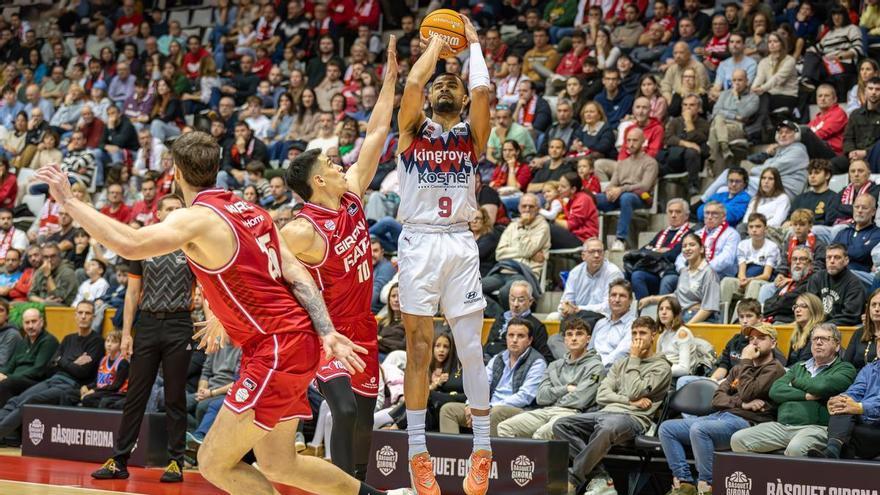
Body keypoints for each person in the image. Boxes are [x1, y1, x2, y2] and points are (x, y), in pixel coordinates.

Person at [35, 132, 403, 495]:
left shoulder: (195, 218)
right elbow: (295, 273)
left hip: (276, 348)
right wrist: (325, 331)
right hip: (294, 343)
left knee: (212, 461)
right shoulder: (252, 211)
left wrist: (69, 202)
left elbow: (130, 244)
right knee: (279, 464)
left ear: (176, 173)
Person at [280, 41, 397, 480]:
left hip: (364, 327)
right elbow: (256, 259)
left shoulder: (351, 195)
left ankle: (356, 485)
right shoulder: (302, 229)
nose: (338, 161)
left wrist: (389, 81)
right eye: (330, 161)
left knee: (363, 421)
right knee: (344, 410)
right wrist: (220, 311)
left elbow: (377, 133)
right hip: (327, 334)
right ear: (317, 180)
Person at [392, 16, 494, 494]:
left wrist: (471, 46)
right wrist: (435, 46)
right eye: (441, 82)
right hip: (418, 242)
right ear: (432, 97)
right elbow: (413, 81)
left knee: (471, 349)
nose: (447, 82)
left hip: (458, 241)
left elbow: (485, 97)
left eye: (456, 80)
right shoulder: (413, 132)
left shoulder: (472, 138)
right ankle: (417, 454)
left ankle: (483, 451)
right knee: (417, 348)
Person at [87, 195, 195, 482]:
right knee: (135, 395)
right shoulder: (143, 243)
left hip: (179, 323)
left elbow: (205, 289)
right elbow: (132, 294)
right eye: (169, 209)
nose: (174, 212)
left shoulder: (192, 246)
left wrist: (210, 320)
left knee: (174, 396)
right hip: (147, 324)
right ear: (158, 213)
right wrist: (126, 334)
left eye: (178, 209)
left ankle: (175, 462)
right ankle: (119, 460)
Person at [658, 322, 785, 495]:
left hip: (748, 423)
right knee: (667, 428)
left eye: (761, 338)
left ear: (773, 343)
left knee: (699, 429)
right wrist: (740, 403)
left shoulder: (774, 369)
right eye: (751, 338)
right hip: (721, 416)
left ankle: (708, 486)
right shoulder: (739, 368)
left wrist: (746, 360)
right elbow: (717, 398)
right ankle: (684, 483)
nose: (754, 342)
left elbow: (748, 392)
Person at [553, 317, 671, 495]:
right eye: (634, 333)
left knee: (607, 427)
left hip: (634, 419)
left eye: (642, 333)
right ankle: (601, 476)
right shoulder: (620, 363)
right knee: (561, 425)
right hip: (606, 412)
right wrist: (629, 401)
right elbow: (602, 395)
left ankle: (574, 479)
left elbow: (634, 391)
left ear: (653, 335)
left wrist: (634, 359)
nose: (637, 338)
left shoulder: (661, 367)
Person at [731, 322, 856, 457]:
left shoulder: (845, 369)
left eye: (825, 339)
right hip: (782, 426)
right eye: (815, 339)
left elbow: (821, 386)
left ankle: (792, 479)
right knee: (738, 440)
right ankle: (765, 477)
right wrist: (806, 396)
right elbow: (775, 391)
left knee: (796, 449)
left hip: (816, 427)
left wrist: (794, 382)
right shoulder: (798, 367)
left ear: (837, 346)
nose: (818, 343)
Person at [0, 302, 104, 442]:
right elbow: (50, 366)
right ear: (75, 315)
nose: (83, 316)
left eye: (87, 313)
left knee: (29, 401)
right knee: (15, 401)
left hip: (70, 385)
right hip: (52, 380)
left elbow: (82, 372)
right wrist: (72, 363)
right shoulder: (68, 338)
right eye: (80, 313)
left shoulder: (97, 341)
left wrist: (62, 361)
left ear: (94, 317)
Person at [496, 317, 604, 440]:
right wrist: (566, 389)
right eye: (569, 334)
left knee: (541, 435)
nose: (574, 338)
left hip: (573, 413)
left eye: (579, 334)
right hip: (545, 410)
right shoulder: (554, 365)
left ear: (588, 339)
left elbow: (581, 400)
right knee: (505, 427)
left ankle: (534, 459)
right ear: (564, 339)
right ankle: (519, 460)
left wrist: (554, 397)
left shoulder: (596, 366)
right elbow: (541, 397)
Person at [439, 318, 547, 437]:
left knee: (496, 412)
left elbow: (524, 397)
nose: (514, 340)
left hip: (520, 411)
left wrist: (489, 407)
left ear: (529, 340)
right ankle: (456, 454)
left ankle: (486, 454)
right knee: (448, 410)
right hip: (489, 408)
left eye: (520, 336)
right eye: (511, 335)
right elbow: (481, 384)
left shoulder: (537, 362)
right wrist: (472, 404)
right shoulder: (498, 358)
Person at [596, 127, 659, 251]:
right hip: (620, 196)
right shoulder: (622, 163)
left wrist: (621, 189)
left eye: (635, 140)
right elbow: (612, 184)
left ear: (643, 141)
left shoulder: (650, 162)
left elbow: (645, 186)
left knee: (626, 198)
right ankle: (592, 239)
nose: (630, 144)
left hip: (641, 197)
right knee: (594, 199)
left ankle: (620, 239)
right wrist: (610, 191)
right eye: (628, 140)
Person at [548, 238, 623, 324]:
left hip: (603, 318)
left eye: (600, 251)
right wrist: (565, 308)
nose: (596, 255)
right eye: (592, 252)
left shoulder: (613, 273)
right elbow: (566, 301)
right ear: (583, 256)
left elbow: (609, 306)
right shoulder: (575, 273)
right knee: (552, 317)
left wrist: (579, 309)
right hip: (578, 316)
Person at [627, 199, 691, 300]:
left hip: (673, 273)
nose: (673, 215)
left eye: (678, 212)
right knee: (636, 275)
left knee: (667, 280)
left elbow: (673, 255)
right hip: (654, 271)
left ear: (686, 216)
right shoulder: (662, 233)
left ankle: (661, 314)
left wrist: (655, 250)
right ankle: (643, 312)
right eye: (670, 212)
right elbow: (644, 250)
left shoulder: (689, 234)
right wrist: (660, 251)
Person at [718, 213, 780, 312]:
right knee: (727, 281)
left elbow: (766, 275)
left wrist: (750, 280)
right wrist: (742, 279)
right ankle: (720, 316)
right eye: (751, 227)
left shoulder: (772, 247)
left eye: (758, 226)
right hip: (747, 278)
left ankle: (746, 316)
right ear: (747, 229)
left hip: (762, 280)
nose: (754, 230)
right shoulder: (743, 245)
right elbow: (741, 271)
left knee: (754, 284)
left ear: (765, 229)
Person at [0, 309, 58, 408]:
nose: (30, 326)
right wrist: (1, 374)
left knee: (6, 384)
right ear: (23, 324)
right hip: (16, 380)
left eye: (34, 321)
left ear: (41, 322)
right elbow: (11, 365)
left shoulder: (49, 341)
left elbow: (38, 370)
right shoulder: (24, 341)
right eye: (27, 322)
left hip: (35, 382)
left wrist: (9, 377)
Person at [483, 280, 552, 362]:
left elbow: (545, 358)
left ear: (530, 301)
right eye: (512, 299)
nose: (515, 304)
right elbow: (489, 343)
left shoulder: (536, 326)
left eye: (521, 300)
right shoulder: (501, 318)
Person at [706, 69, 759, 174]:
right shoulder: (724, 94)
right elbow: (715, 111)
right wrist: (734, 115)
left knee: (715, 129)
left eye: (740, 80)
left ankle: (711, 158)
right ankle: (725, 147)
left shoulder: (753, 98)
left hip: (737, 127)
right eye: (734, 80)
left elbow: (743, 113)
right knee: (718, 119)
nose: (736, 83)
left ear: (746, 81)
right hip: (721, 124)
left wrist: (735, 97)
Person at [806, 244, 866, 326]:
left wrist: (824, 326)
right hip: (817, 325)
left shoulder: (854, 284)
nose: (832, 261)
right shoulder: (816, 278)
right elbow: (810, 306)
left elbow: (850, 316)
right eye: (829, 257)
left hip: (842, 329)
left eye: (837, 257)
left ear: (846, 260)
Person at [680, 201, 741, 279]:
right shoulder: (697, 234)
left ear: (724, 217)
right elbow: (682, 255)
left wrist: (702, 270)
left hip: (719, 275)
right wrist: (683, 269)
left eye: (714, 213)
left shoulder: (732, 234)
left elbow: (726, 259)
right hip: (693, 273)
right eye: (707, 213)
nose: (709, 217)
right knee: (672, 279)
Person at [830, 194, 880, 288]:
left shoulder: (877, 234)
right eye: (857, 207)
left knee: (847, 274)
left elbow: (860, 253)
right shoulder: (842, 232)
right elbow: (831, 253)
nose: (859, 210)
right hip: (839, 273)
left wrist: (841, 251)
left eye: (864, 208)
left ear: (873, 211)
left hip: (862, 277)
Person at [591, 280, 637, 368]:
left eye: (622, 296)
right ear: (608, 299)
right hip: (592, 367)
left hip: (613, 369)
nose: (617, 300)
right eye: (613, 295)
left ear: (630, 300)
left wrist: (597, 367)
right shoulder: (600, 323)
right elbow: (590, 350)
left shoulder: (633, 325)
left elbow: (622, 353)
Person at [790, 160, 836, 227]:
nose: (812, 176)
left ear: (827, 175)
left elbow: (828, 223)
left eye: (817, 173)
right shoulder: (799, 198)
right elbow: (788, 219)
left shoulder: (834, 198)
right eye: (810, 173)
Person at [843, 288, 880, 370]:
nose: (877, 309)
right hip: (857, 380)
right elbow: (846, 365)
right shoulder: (859, 333)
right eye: (873, 305)